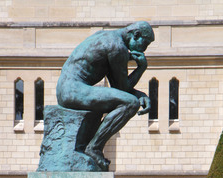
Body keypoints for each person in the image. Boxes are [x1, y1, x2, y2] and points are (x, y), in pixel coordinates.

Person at [56, 21, 155, 170]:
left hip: (66, 88)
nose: (144, 49)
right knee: (130, 104)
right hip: (73, 90)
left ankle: (92, 146)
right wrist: (141, 68)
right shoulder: (117, 47)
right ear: (136, 35)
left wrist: (139, 93)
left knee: (129, 100)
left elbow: (119, 87)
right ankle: (94, 148)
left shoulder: (107, 36)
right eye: (145, 44)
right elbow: (122, 89)